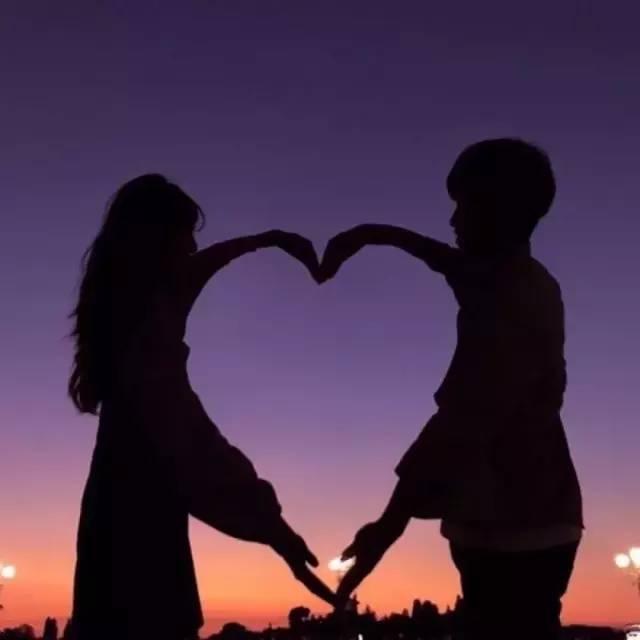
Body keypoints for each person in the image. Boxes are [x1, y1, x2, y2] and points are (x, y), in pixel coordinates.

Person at [321, 139, 583, 640]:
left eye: (464, 206)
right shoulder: (509, 276)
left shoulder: (512, 300)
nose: (453, 221)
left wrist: (387, 527)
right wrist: (370, 234)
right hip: (514, 515)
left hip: (521, 524)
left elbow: (464, 421)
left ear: (499, 211)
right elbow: (442, 258)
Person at [68, 174, 333, 639]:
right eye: (185, 233)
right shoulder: (150, 341)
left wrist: (268, 239)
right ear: (155, 241)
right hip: (140, 530)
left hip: (116, 514)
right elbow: (192, 442)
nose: (194, 246)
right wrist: (274, 528)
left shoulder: (124, 315)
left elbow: (204, 264)